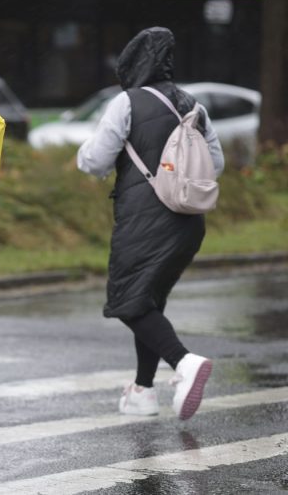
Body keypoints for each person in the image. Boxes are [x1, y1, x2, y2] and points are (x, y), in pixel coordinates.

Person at [76, 27, 224, 421]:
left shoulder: (127, 103)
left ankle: (184, 362)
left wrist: (85, 153)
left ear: (132, 65)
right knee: (148, 301)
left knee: (127, 300)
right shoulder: (195, 105)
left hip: (144, 222)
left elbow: (94, 162)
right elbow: (217, 165)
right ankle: (142, 391)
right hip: (189, 224)